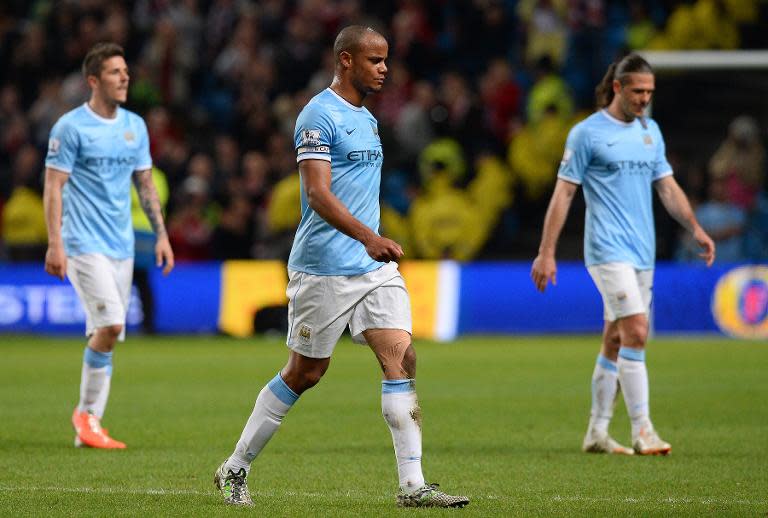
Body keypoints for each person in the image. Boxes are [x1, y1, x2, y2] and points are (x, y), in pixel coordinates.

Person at [213, 26, 469, 509]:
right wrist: (369, 237)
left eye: (386, 59)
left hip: (371, 269)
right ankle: (235, 468)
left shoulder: (368, 119)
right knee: (305, 372)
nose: (385, 69)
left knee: (402, 357)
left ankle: (413, 487)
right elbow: (318, 195)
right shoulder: (317, 115)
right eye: (375, 60)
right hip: (324, 267)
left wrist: (373, 240)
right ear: (346, 60)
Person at [531, 54, 715, 456]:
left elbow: (667, 188)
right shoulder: (587, 134)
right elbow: (564, 193)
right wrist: (546, 252)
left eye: (650, 92)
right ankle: (642, 429)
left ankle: (596, 432)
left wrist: (695, 227)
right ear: (617, 87)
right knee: (636, 331)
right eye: (638, 91)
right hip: (606, 250)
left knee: (615, 339)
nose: (644, 99)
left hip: (642, 252)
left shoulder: (651, 131)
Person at [44, 42, 174, 449]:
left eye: (126, 71)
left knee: (107, 335)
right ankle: (85, 416)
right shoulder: (70, 127)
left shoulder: (134, 125)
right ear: (94, 80)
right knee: (111, 326)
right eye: (116, 72)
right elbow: (53, 187)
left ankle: (90, 426)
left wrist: (162, 235)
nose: (125, 78)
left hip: (122, 245)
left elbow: (146, 184)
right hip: (82, 243)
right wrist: (54, 243)